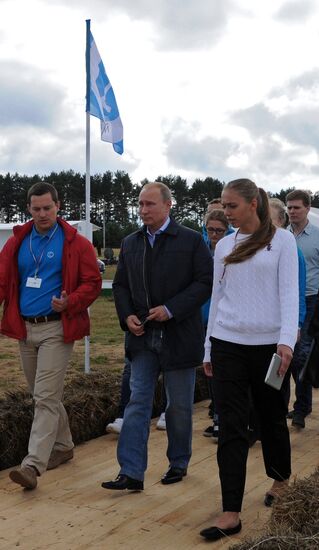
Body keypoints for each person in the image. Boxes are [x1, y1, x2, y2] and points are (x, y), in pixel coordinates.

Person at [200, 179, 298, 542]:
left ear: (253, 203)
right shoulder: (224, 244)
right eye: (224, 206)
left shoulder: (282, 242)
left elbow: (289, 294)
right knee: (232, 425)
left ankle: (280, 479)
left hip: (270, 348)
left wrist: (286, 342)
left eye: (232, 206)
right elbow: (217, 296)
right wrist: (209, 347)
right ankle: (230, 511)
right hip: (228, 344)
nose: (226, 213)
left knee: (272, 416)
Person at [102, 182, 212, 492]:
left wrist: (171, 309)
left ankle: (178, 462)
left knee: (178, 405)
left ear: (168, 205)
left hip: (179, 336)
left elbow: (205, 282)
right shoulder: (131, 243)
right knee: (137, 401)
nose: (143, 210)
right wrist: (127, 317)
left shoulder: (191, 241)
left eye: (150, 204)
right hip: (142, 338)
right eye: (140, 204)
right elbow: (120, 285)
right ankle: (131, 472)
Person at [0, 182, 102, 490]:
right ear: (28, 209)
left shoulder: (75, 241)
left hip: (57, 328)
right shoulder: (18, 241)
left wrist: (70, 301)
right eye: (36, 209)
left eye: (48, 208)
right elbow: (3, 279)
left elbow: (93, 282)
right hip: (25, 328)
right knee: (43, 395)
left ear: (58, 206)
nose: (42, 214)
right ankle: (63, 446)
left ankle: (32, 465)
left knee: (44, 397)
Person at [285, 190, 319, 429]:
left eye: (297, 207)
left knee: (301, 354)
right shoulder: (280, 236)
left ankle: (301, 408)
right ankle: (283, 405)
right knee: (283, 351)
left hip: (310, 300)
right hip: (285, 300)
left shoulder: (317, 237)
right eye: (289, 207)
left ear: (307, 208)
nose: (292, 211)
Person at [201, 210, 230, 440]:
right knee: (209, 369)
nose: (214, 234)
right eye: (210, 229)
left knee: (222, 371)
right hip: (202, 314)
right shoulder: (200, 247)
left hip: (223, 316)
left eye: (219, 230)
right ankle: (217, 414)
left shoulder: (232, 247)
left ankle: (222, 418)